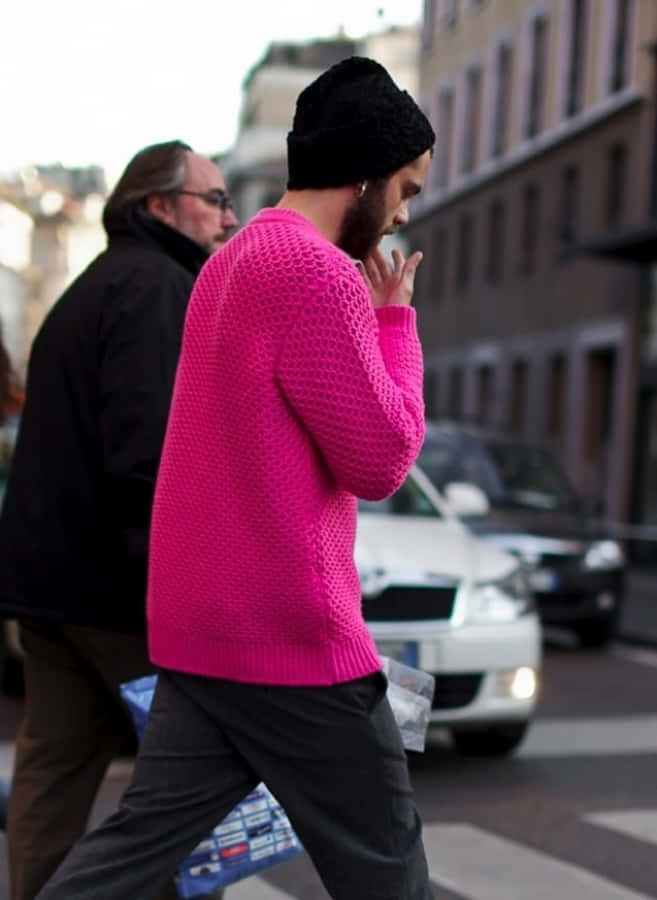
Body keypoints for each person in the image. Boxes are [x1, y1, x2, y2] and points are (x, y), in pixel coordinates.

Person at [36, 56, 435, 900]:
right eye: (404, 186)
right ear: (363, 173)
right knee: (387, 866)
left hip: (202, 630)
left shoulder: (230, 261)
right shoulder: (318, 273)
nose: (402, 210)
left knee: (131, 851)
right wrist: (394, 324)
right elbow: (380, 460)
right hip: (292, 641)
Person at [0, 140, 238, 900]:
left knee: (53, 772)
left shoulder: (89, 291)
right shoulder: (159, 288)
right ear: (159, 207)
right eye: (215, 200)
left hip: (52, 593)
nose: (228, 219)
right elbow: (150, 454)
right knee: (187, 779)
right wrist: (181, 588)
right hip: (123, 593)